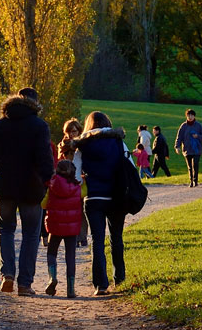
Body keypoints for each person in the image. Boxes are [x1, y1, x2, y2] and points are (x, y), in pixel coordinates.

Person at [0, 87, 55, 296]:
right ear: (35, 104)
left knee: (5, 230)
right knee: (31, 234)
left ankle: (7, 276)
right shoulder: (39, 126)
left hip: (4, 186)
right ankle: (25, 284)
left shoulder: (0, 125)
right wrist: (48, 178)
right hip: (32, 187)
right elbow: (44, 157)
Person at [71, 110, 129, 296]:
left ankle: (100, 285)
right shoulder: (119, 142)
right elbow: (130, 167)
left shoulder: (83, 146)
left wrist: (84, 179)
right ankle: (119, 278)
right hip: (116, 197)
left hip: (94, 197)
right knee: (116, 238)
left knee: (97, 240)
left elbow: (75, 176)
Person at [43, 159, 83, 298]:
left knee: (51, 253)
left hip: (55, 227)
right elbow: (86, 193)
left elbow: (43, 204)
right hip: (72, 229)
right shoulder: (78, 188)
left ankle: (52, 277)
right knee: (70, 256)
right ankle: (70, 289)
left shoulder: (52, 186)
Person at [57, 118, 88, 249]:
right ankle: (73, 236)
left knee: (82, 209)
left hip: (81, 180)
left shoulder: (83, 144)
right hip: (67, 181)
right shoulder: (62, 145)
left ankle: (83, 236)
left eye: (74, 131)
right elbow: (58, 160)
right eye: (69, 132)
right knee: (70, 209)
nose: (71, 134)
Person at [175, 109, 202, 187]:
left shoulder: (198, 125)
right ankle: (191, 181)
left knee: (195, 165)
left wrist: (198, 136)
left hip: (196, 149)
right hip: (187, 149)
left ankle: (195, 180)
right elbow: (179, 137)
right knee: (189, 166)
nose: (190, 117)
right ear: (186, 116)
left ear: (194, 116)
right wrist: (177, 146)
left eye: (191, 115)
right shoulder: (183, 126)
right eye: (188, 115)